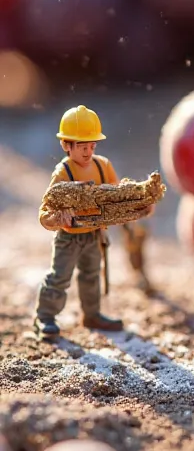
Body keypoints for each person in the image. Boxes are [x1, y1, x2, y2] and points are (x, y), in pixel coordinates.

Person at [35, 105, 125, 340]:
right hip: (69, 237)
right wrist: (56, 218)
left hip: (94, 234)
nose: (88, 151)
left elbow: (118, 195)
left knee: (91, 274)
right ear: (67, 145)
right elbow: (45, 211)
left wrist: (139, 202)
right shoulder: (62, 174)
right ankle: (44, 317)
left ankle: (92, 314)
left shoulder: (102, 166)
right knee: (60, 277)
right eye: (82, 146)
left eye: (91, 145)